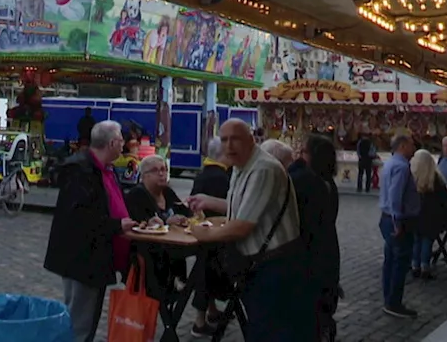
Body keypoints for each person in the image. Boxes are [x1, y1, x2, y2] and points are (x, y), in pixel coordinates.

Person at [188, 120, 309, 341]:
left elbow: (242, 226)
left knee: (271, 331)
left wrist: (203, 234)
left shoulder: (263, 168)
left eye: (235, 139)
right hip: (261, 265)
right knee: (262, 328)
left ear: (251, 140)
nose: (229, 145)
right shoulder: (242, 166)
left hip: (275, 267)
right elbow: (243, 207)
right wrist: (210, 202)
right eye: (224, 139)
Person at [43, 120, 137, 342]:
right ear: (113, 143)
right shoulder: (82, 170)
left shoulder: (104, 169)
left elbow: (113, 203)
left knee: (85, 317)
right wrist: (116, 226)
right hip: (82, 257)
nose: (124, 145)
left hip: (95, 254)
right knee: (80, 321)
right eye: (121, 141)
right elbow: (79, 218)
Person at [289, 134, 341, 340]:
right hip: (327, 249)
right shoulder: (328, 183)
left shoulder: (306, 181)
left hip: (309, 251)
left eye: (304, 153)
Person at [124, 155, 191, 301]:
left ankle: (183, 288)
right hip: (150, 257)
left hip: (173, 248)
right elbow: (140, 222)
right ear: (144, 175)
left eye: (164, 169)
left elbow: (187, 214)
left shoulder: (167, 192)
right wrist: (166, 221)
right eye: (155, 170)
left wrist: (189, 214)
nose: (162, 173)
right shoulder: (137, 195)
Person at [189, 137, 231, 336]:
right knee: (207, 273)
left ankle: (211, 312)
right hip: (217, 235)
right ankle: (199, 321)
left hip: (203, 232)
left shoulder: (204, 173)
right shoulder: (221, 177)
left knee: (206, 269)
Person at [378, 133, 420, 319]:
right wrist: (398, 222)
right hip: (399, 219)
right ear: (403, 146)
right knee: (400, 262)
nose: (414, 148)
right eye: (411, 144)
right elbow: (396, 196)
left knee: (390, 259)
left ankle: (389, 298)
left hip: (387, 217)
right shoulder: (402, 167)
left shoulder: (390, 163)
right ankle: (394, 301)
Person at [409, 149, 447, 280]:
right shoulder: (435, 179)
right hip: (431, 215)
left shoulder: (412, 177)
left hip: (415, 213)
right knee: (427, 241)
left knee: (416, 240)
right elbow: (444, 198)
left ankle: (414, 265)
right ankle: (424, 267)